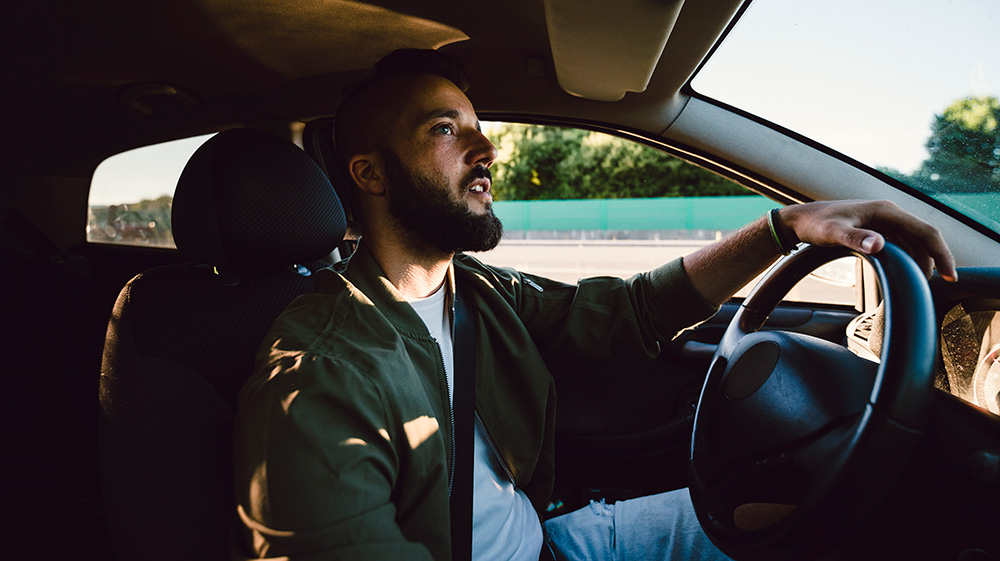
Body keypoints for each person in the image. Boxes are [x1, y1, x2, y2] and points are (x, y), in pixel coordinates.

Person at [231, 49, 956, 561]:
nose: (486, 147)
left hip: (548, 541)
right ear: (370, 173)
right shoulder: (321, 373)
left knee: (799, 522)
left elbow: (636, 312)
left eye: (478, 128)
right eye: (445, 130)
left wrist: (786, 226)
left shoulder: (479, 291)